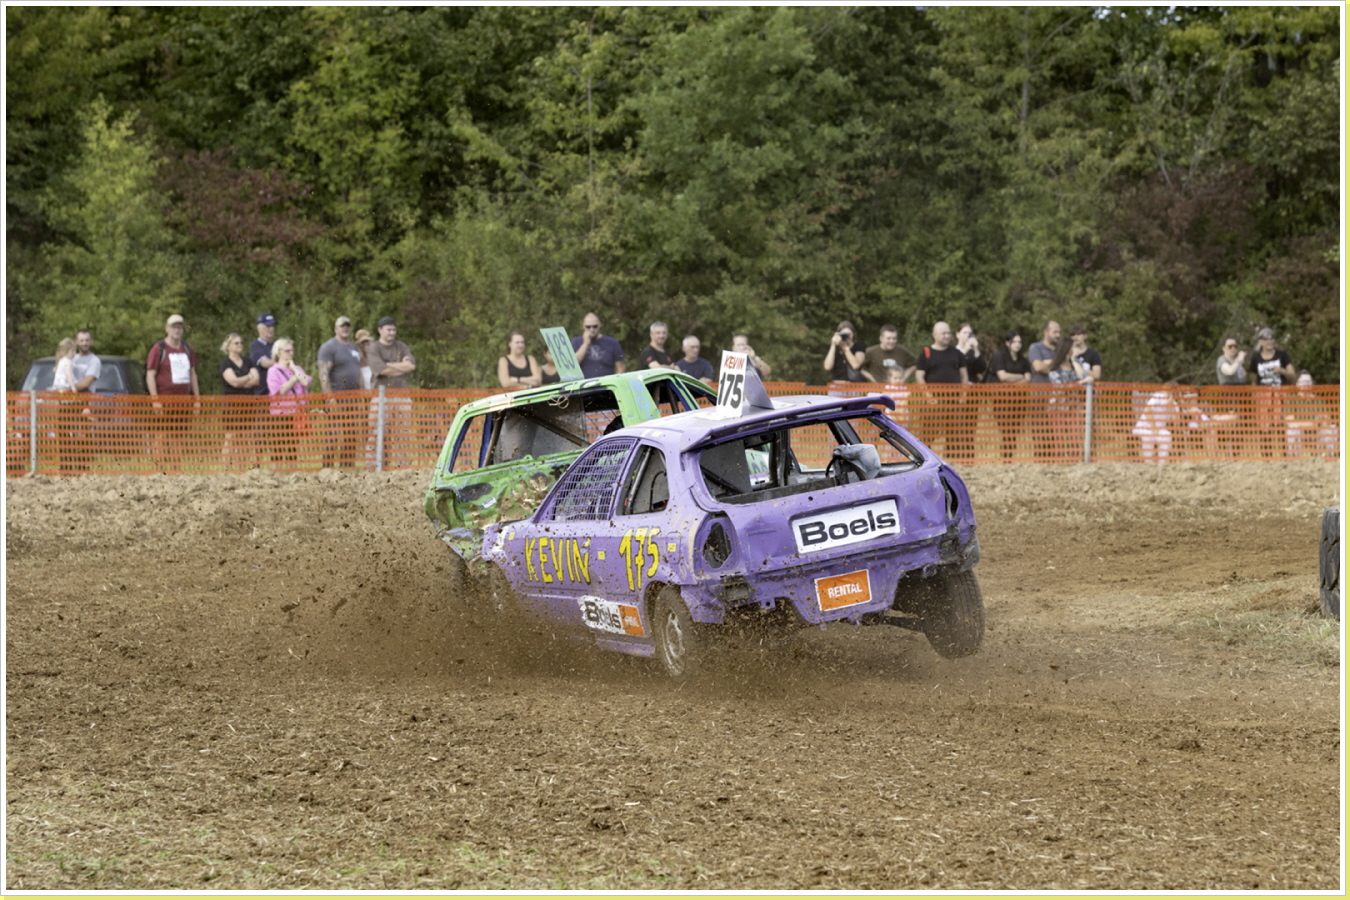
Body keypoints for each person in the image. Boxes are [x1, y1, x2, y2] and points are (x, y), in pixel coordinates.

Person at [146, 314, 200, 473]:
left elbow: (192, 373)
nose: (177, 330)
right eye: (174, 327)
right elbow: (150, 374)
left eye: (179, 327)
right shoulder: (159, 348)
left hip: (183, 402)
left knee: (179, 438)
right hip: (164, 401)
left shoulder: (187, 348)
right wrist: (155, 400)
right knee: (162, 437)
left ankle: (176, 471)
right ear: (167, 329)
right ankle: (159, 471)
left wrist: (197, 399)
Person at [913, 321, 969, 459]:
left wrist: (963, 395)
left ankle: (953, 460)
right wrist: (928, 396)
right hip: (933, 402)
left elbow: (964, 376)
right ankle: (925, 460)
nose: (947, 336)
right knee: (929, 434)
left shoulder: (957, 353)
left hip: (953, 400)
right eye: (943, 333)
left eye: (948, 333)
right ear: (935, 334)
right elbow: (919, 376)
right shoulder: (926, 353)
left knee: (954, 434)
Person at [368, 316, 417, 466]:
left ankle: (403, 468)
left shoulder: (401, 346)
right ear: (380, 330)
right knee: (376, 433)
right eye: (388, 330)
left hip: (402, 396)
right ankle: (373, 468)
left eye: (394, 330)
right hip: (381, 397)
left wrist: (390, 365)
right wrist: (400, 366)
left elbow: (411, 366)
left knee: (402, 434)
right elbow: (381, 370)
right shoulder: (374, 348)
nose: (391, 333)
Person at [319, 315, 366, 469]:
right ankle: (327, 469)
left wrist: (362, 394)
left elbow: (358, 370)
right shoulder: (329, 347)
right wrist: (329, 397)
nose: (345, 328)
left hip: (353, 398)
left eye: (347, 326)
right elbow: (323, 373)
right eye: (342, 326)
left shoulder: (353, 347)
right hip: (337, 396)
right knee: (334, 434)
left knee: (350, 434)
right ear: (336, 329)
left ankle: (347, 467)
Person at [1045, 329, 1094, 460]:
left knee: (1075, 435)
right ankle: (1060, 461)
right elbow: (1060, 387)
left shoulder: (1075, 364)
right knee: (1060, 439)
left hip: (1074, 406)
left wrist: (1074, 361)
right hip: (1058, 408)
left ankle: (1075, 460)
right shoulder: (1054, 367)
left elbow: (1084, 377)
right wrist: (1080, 383)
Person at [1249, 327, 1296, 458]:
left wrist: (1282, 371)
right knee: (1264, 427)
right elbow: (1253, 379)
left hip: (1279, 395)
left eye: (1272, 338)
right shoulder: (1255, 358)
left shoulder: (1282, 355)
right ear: (1260, 342)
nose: (1269, 341)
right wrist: (1255, 397)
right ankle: (1266, 456)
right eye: (1266, 339)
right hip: (1263, 397)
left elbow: (1292, 375)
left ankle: (1283, 455)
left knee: (1280, 425)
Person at [986, 330, 1032, 461]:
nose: (1017, 344)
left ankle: (1009, 456)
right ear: (1007, 343)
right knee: (1005, 430)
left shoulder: (1023, 359)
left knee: (1015, 430)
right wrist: (1020, 377)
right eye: (1014, 342)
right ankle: (1006, 456)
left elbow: (1028, 378)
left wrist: (1012, 382)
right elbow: (1002, 376)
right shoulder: (999, 356)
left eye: (1019, 342)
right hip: (1002, 400)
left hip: (1019, 400)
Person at [266, 338, 312, 468]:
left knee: (293, 449)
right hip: (279, 415)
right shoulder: (273, 371)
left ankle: (292, 474)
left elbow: (306, 382)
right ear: (279, 352)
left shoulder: (297, 369)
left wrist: (294, 369)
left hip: (295, 414)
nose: (291, 353)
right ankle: (276, 474)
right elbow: (279, 390)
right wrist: (293, 379)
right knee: (277, 449)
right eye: (287, 350)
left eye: (292, 350)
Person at [219, 333, 261, 469]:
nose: (239, 345)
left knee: (246, 436)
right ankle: (225, 468)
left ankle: (243, 468)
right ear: (228, 346)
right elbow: (233, 382)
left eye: (241, 343)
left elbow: (256, 380)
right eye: (236, 343)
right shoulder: (225, 363)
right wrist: (248, 376)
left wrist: (242, 381)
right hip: (231, 404)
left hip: (247, 403)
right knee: (231, 436)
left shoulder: (248, 361)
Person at [1283, 371, 1334, 459]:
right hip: (1301, 433)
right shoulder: (1291, 399)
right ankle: (1294, 460)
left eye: (1308, 382)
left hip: (1317, 432)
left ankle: (1328, 458)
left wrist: (1320, 423)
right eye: (1303, 382)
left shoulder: (1319, 400)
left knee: (1331, 428)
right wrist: (1310, 424)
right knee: (1292, 430)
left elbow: (1327, 419)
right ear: (1297, 384)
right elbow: (1289, 421)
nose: (1306, 384)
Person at [1133, 388, 1179, 465]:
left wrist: (1172, 407)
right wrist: (1154, 428)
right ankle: (1148, 463)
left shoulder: (1174, 404)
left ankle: (1162, 464)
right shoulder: (1157, 397)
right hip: (1143, 427)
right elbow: (1147, 411)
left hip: (1158, 430)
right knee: (1148, 435)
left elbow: (1176, 422)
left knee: (1166, 435)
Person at [571, 312, 625, 378]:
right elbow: (572, 365)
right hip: (584, 383)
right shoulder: (576, 341)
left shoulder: (612, 342)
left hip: (606, 383)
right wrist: (585, 343)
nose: (592, 329)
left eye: (595, 326)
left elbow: (620, 368)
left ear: (600, 325)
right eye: (588, 327)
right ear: (583, 326)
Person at [822, 320, 866, 385]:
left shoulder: (859, 347)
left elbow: (856, 365)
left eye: (849, 334)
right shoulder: (835, 349)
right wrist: (833, 344)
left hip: (854, 385)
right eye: (843, 334)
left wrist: (844, 347)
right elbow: (827, 367)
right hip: (837, 385)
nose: (846, 337)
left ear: (854, 334)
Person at [250, 313, 277, 395]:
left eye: (272, 326)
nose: (271, 329)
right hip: (263, 394)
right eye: (268, 326)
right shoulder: (256, 345)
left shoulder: (276, 345)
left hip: (277, 393)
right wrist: (282, 361)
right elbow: (265, 363)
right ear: (259, 328)